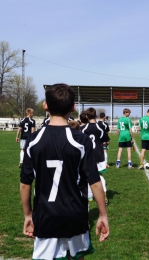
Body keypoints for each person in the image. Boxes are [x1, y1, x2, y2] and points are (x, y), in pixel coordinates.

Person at [20, 83, 109, 260]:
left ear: (45, 105)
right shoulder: (81, 140)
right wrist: (103, 214)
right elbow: (94, 181)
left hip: (45, 216)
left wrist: (28, 214)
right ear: (73, 107)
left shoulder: (33, 140)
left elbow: (25, 184)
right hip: (75, 215)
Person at [82, 107, 110, 205]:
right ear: (96, 116)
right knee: (99, 176)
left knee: (87, 176)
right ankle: (104, 195)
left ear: (86, 116)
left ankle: (89, 196)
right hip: (98, 155)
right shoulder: (100, 128)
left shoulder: (83, 129)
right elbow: (107, 141)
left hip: (87, 156)